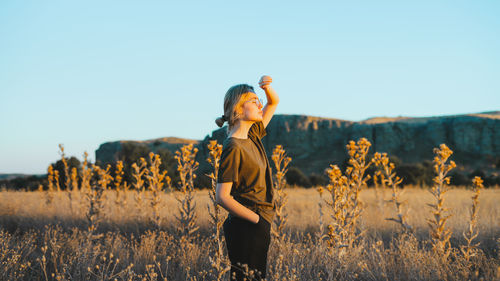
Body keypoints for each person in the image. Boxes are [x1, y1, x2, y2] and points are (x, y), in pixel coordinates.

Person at [215, 75, 279, 280]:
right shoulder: (233, 146)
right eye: (253, 101)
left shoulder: (252, 135)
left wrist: (266, 88)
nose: (259, 104)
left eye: (258, 100)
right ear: (238, 108)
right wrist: (257, 221)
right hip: (246, 225)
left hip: (258, 222)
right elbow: (222, 196)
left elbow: (273, 102)